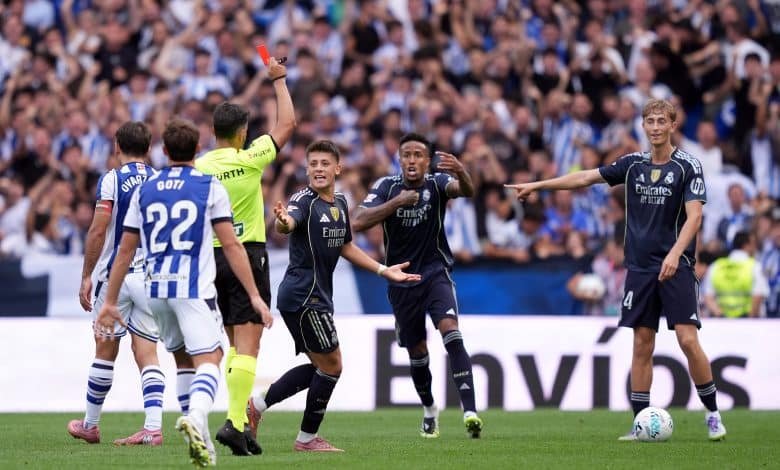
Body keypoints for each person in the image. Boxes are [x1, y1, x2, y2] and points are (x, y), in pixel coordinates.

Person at [505, 98, 727, 441]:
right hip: (639, 268)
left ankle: (712, 414)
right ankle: (640, 423)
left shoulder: (688, 166)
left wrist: (674, 254)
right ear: (643, 126)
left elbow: (695, 216)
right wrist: (539, 185)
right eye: (650, 121)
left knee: (687, 339)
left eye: (661, 121)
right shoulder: (633, 164)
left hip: (677, 265)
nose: (655, 127)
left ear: (672, 125)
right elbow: (586, 177)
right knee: (642, 344)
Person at [95, 119, 272, 466]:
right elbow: (232, 245)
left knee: (183, 361)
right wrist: (254, 295)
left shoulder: (146, 188)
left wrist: (111, 300)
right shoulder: (208, 186)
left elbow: (125, 250)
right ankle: (196, 417)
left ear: (163, 151)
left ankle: (201, 439)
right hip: (192, 288)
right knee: (212, 358)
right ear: (197, 150)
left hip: (155, 288)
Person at [245, 140, 420, 451]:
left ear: (337, 168)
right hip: (303, 296)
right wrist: (284, 222)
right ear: (307, 169)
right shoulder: (303, 200)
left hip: (316, 296)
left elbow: (346, 246)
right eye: (313, 163)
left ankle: (257, 406)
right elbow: (289, 222)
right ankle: (306, 439)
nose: (318, 169)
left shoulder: (339, 202)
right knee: (332, 366)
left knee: (321, 366)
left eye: (325, 163)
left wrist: (383, 270)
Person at [68, 121, 194, 446]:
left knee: (105, 349)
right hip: (151, 276)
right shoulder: (161, 180)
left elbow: (99, 229)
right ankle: (152, 428)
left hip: (117, 275)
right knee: (147, 352)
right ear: (149, 148)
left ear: (116, 146)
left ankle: (90, 424)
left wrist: (87, 275)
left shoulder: (112, 179)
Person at [351, 133, 484, 439]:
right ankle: (429, 408)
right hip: (401, 279)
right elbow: (357, 221)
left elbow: (467, 190)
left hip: (435, 273)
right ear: (400, 160)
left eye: (418, 155)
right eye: (407, 155)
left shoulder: (437, 184)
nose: (412, 160)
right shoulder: (387, 187)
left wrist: (462, 171)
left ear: (427, 161)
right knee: (418, 352)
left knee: (451, 331)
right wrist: (397, 202)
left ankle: (470, 413)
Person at [193, 56, 295, 456]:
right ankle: (235, 423)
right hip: (247, 255)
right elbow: (287, 125)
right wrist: (279, 80)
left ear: (212, 131)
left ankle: (237, 424)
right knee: (250, 344)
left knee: (236, 343)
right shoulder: (249, 158)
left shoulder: (200, 167)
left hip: (210, 258)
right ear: (242, 133)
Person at [703, 231, 769, 318]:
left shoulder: (716, 266)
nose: (755, 248)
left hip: (722, 321)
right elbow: (758, 297)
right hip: (748, 320)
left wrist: (721, 316)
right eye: (753, 244)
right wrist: (749, 321)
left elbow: (708, 297)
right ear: (746, 245)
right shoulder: (755, 267)